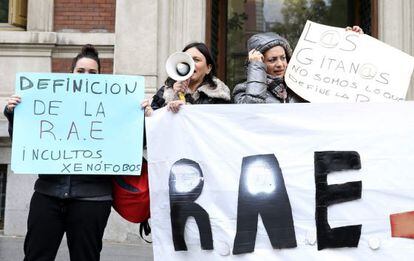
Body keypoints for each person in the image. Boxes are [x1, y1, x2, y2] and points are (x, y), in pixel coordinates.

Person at [4, 44, 112, 261]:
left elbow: (134, 145)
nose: (85, 77)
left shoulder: (113, 108)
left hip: (91, 199)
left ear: (101, 78)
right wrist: (15, 113)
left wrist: (143, 118)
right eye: (80, 71)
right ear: (70, 75)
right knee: (36, 256)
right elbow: (28, 140)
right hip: (48, 195)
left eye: (93, 73)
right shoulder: (50, 102)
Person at [233, 26, 364, 104]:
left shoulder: (301, 86)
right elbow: (250, 111)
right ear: (260, 61)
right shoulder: (242, 90)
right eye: (272, 60)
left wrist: (350, 43)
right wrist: (255, 67)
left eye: (283, 58)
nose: (280, 64)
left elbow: (338, 89)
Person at [142, 42, 231, 115]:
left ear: (208, 68)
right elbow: (155, 125)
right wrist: (149, 114)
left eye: (196, 60)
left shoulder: (219, 95)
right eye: (187, 60)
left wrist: (185, 108)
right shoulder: (164, 93)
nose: (190, 64)